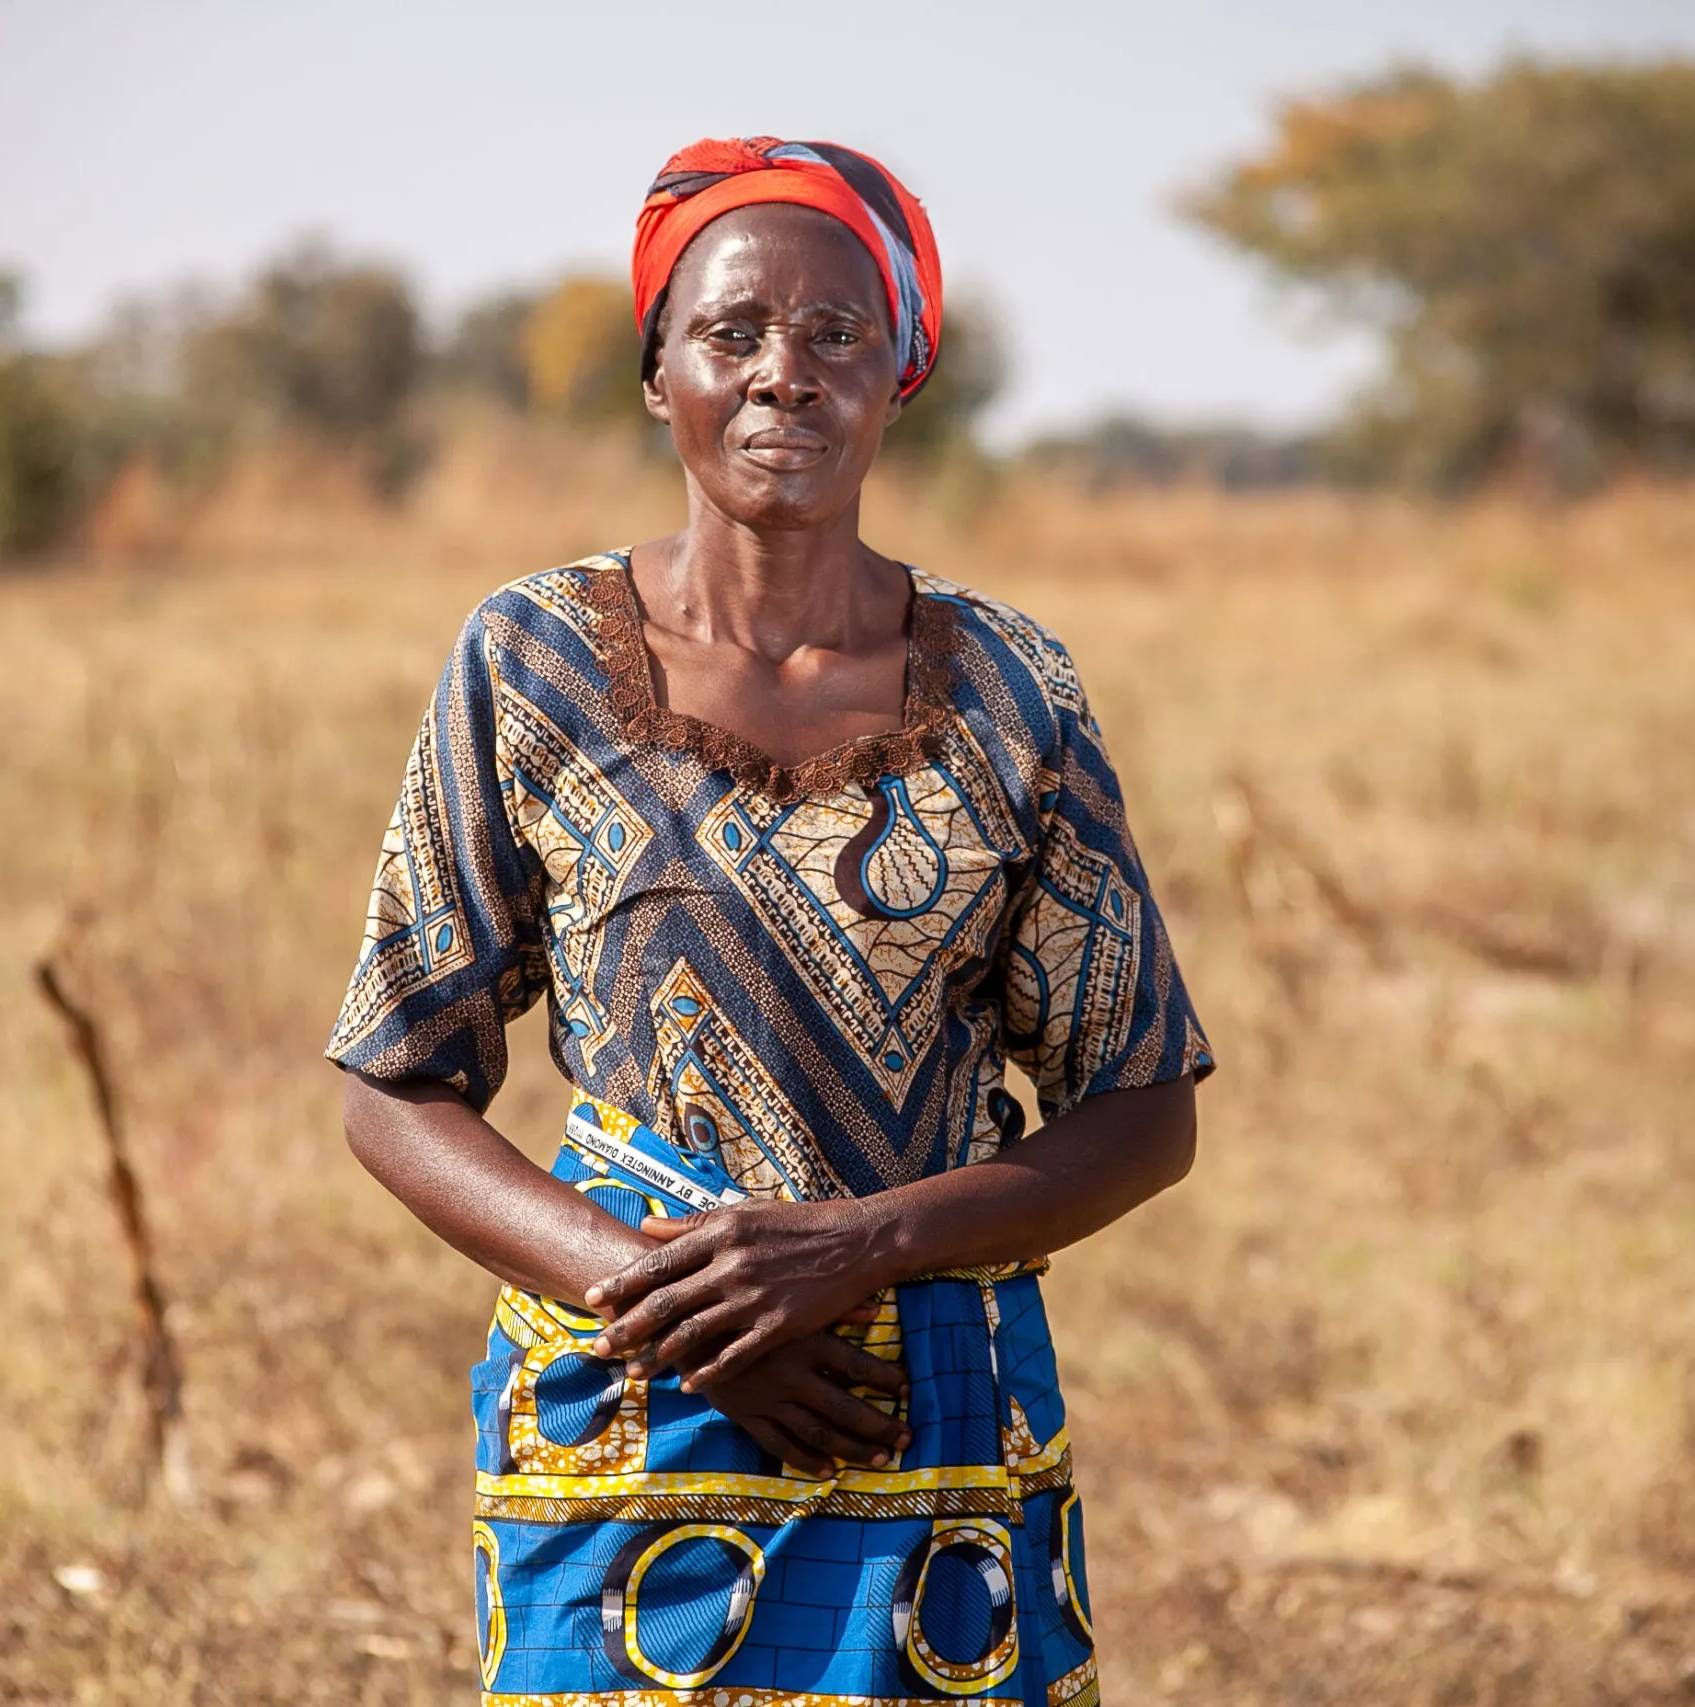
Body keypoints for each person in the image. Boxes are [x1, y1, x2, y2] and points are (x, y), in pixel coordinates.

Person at [328, 136, 1212, 1707]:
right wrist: (669, 1302)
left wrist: (861, 1242)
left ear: (903, 375)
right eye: (731, 333)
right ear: (657, 373)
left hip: (923, 1402)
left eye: (837, 335)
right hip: (630, 1404)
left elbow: (1141, 1111)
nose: (783, 376)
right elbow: (397, 1083)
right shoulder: (528, 660)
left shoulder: (1014, 690)